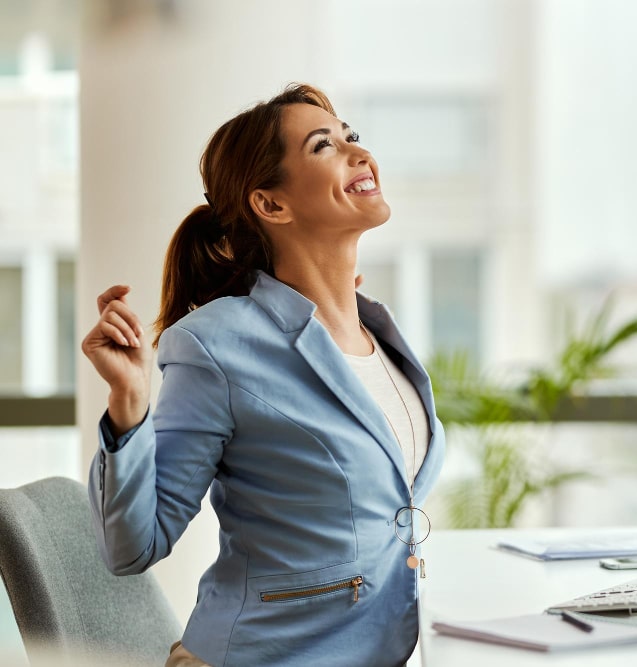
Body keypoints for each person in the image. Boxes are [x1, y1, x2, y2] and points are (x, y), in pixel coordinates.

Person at [81, 83, 445, 667]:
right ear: (271, 205)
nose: (358, 153)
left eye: (353, 136)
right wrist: (129, 402)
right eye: (324, 146)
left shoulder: (380, 334)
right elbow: (133, 546)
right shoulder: (214, 345)